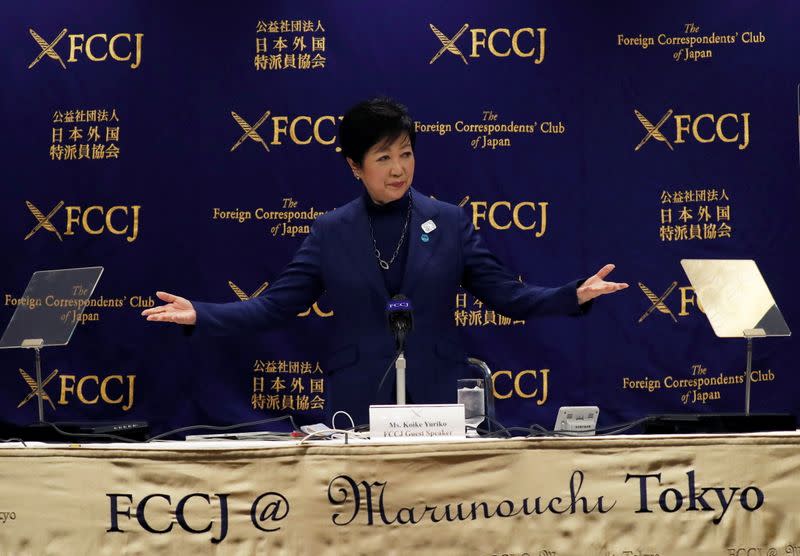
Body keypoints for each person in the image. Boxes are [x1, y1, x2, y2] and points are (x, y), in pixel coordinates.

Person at [143, 97, 628, 424]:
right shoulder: (331, 232)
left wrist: (573, 295)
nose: (399, 169)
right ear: (355, 166)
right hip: (357, 396)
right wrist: (201, 313)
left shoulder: (450, 221)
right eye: (383, 158)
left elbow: (508, 296)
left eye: (406, 153)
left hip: (437, 394)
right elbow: (274, 307)